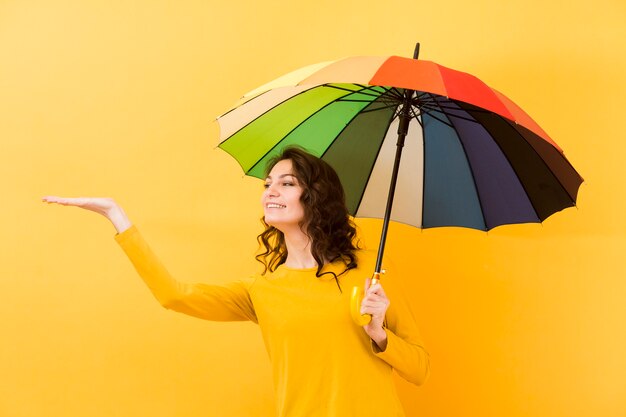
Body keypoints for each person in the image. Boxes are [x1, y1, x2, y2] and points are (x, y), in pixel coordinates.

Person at [43, 147, 429, 417]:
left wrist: (381, 334)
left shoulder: (369, 271)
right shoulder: (262, 291)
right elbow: (174, 296)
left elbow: (419, 368)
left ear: (316, 196)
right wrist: (117, 217)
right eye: (267, 184)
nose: (271, 191)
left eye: (287, 183)